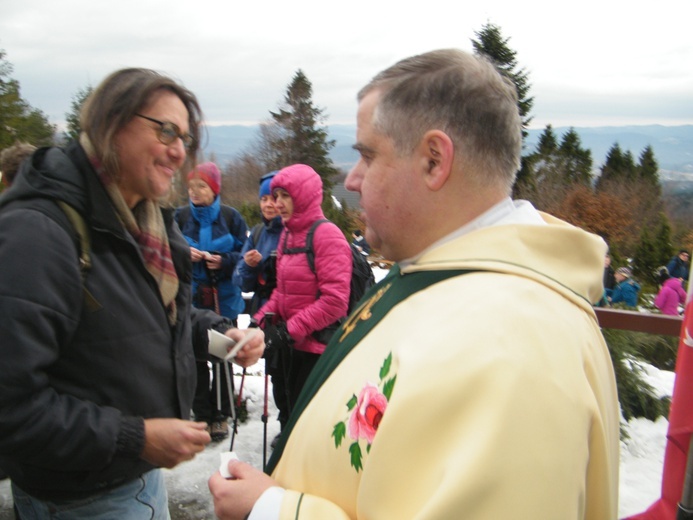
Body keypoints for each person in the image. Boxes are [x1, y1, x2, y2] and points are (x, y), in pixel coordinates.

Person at [209, 49, 619, 519]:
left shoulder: (512, 344)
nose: (353, 180)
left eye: (367, 155)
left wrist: (272, 511)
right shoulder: (447, 282)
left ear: (433, 160)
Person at [0, 67, 264, 519]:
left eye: (185, 137)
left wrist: (220, 335)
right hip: (80, 501)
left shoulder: (147, 221)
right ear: (111, 124)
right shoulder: (39, 232)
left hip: (129, 482)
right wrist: (135, 437)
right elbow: (10, 406)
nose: (179, 150)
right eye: (165, 130)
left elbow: (155, 317)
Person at [252, 163, 352, 438]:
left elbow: (335, 301)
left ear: (304, 195)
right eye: (276, 196)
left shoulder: (326, 235)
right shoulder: (287, 234)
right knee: (287, 416)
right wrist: (258, 321)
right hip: (289, 349)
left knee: (308, 425)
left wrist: (287, 331)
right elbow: (281, 292)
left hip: (315, 352)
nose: (278, 203)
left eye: (286, 196)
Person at [176, 161, 249, 441]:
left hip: (223, 300)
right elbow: (165, 251)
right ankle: (201, 413)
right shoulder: (180, 218)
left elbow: (245, 256)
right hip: (189, 299)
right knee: (192, 358)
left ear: (214, 189)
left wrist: (224, 261)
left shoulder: (231, 218)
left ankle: (221, 415)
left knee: (222, 355)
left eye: (201, 186)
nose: (194, 192)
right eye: (191, 186)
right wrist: (184, 253)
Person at [233, 171, 283, 316]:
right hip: (260, 310)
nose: (268, 205)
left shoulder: (295, 232)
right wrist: (249, 266)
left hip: (287, 313)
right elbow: (240, 282)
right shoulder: (257, 233)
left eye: (273, 199)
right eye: (263, 199)